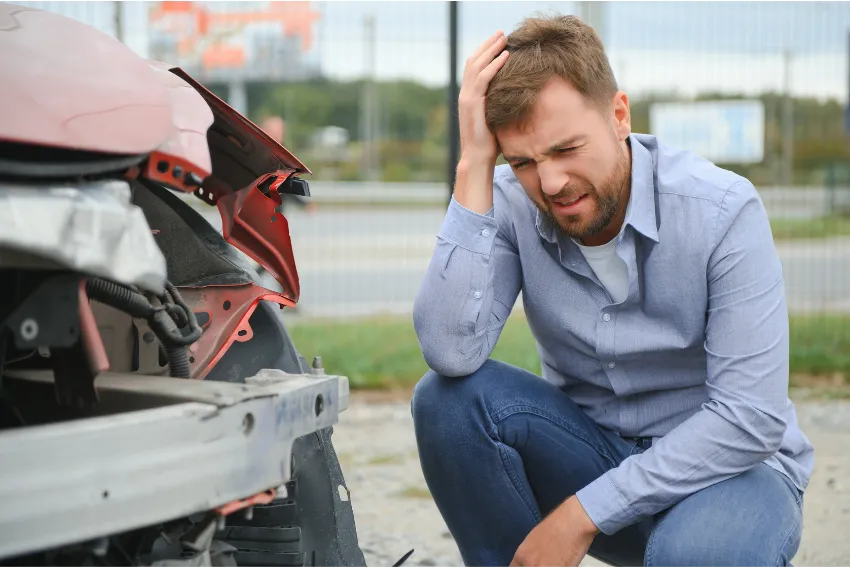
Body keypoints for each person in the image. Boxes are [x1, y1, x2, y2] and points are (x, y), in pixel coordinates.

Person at [410, 14, 814, 567]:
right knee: (447, 401)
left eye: (566, 149)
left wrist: (581, 517)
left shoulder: (721, 210)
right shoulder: (509, 201)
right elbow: (449, 353)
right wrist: (475, 163)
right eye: (523, 161)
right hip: (590, 457)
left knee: (694, 557)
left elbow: (750, 419)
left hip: (729, 475)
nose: (549, 183)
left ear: (619, 115)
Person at [259, 115, 318, 215]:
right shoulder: (258, 154)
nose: (280, 134)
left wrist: (304, 204)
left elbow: (284, 185)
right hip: (257, 209)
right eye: (276, 131)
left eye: (281, 130)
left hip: (275, 213)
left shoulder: (282, 155)